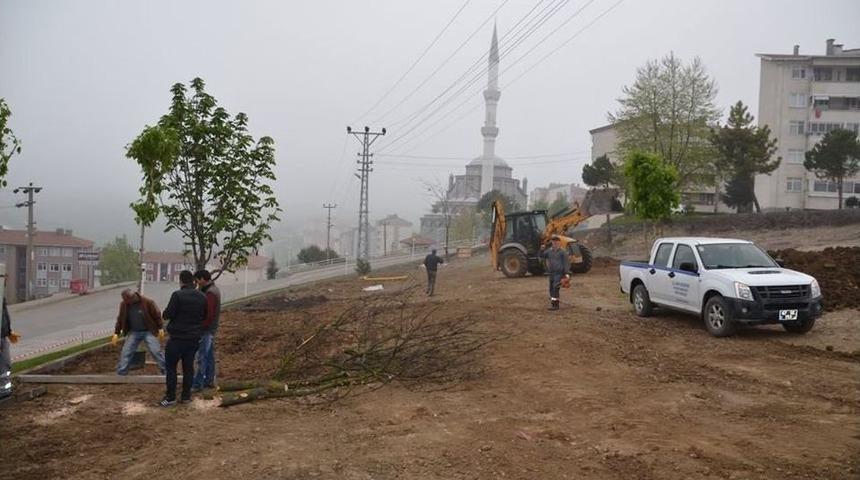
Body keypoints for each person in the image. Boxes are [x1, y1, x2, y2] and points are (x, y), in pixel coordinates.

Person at [160, 270, 207, 407]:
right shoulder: (202, 297)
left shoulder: (177, 295)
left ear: (181, 281)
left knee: (171, 368)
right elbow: (204, 316)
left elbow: (168, 314)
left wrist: (166, 313)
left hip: (177, 338)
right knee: (188, 368)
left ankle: (170, 397)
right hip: (193, 339)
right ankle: (186, 396)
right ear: (193, 281)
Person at [112, 289, 166, 375]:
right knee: (126, 352)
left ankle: (166, 371)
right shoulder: (124, 305)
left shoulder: (148, 302)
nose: (126, 302)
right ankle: (121, 372)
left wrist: (160, 328)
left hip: (148, 331)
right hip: (134, 332)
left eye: (127, 300)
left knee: (155, 351)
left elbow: (157, 315)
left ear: (133, 297)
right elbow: (120, 318)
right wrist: (116, 333)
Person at [192, 269, 221, 392]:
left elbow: (209, 315)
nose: (197, 283)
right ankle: (209, 380)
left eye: (198, 280)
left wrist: (201, 327)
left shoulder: (210, 293)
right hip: (209, 329)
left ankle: (198, 384)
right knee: (209, 356)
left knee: (201, 357)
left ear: (203, 279)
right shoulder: (211, 290)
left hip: (206, 330)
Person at [540, 235, 571, 311]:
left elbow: (566, 263)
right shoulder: (549, 251)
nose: (555, 243)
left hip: (559, 273)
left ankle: (555, 305)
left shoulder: (562, 252)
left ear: (559, 243)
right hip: (551, 273)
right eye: (553, 242)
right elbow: (541, 256)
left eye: (556, 242)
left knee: (555, 288)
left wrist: (566, 274)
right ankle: (553, 303)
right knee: (551, 289)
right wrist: (541, 250)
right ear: (552, 242)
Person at [1, 298, 20, 399]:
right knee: (3, 364)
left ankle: (4, 389)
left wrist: (8, 331)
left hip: (2, 336)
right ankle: (3, 389)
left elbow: (3, 316)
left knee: (5, 364)